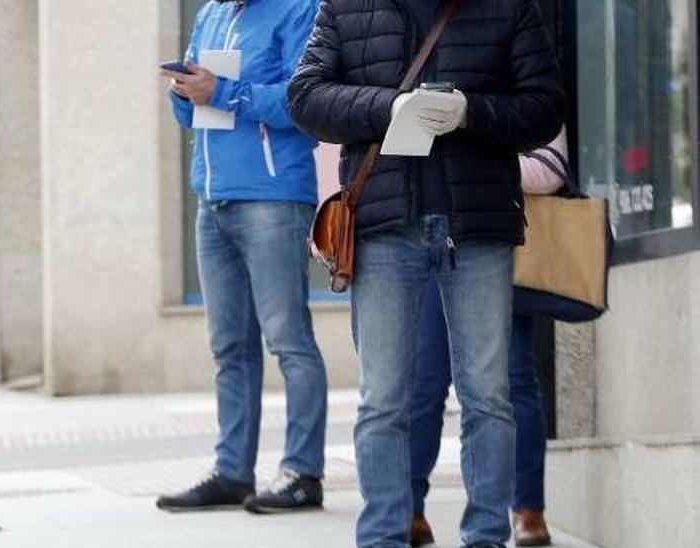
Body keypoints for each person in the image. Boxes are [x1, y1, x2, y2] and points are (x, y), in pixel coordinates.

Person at [288, 1, 564, 546]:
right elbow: (305, 98)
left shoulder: (509, 7)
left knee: (488, 397)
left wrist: (472, 113)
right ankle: (384, 535)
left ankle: (486, 535)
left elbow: (545, 108)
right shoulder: (346, 6)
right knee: (383, 399)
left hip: (478, 227)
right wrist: (389, 107)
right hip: (385, 227)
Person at [155, 0, 329, 514]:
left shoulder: (299, 10)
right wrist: (183, 91)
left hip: (272, 197)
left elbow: (305, 101)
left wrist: (224, 92)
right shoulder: (210, 13)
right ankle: (233, 471)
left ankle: (302, 473)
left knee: (288, 341)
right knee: (229, 345)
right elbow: (192, 115)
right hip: (212, 199)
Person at [409, 128, 570, 547]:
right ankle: (408, 508)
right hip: (429, 245)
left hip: (500, 245)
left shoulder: (519, 72)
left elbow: (550, 171)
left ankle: (527, 508)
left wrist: (470, 166)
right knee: (424, 382)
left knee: (512, 382)